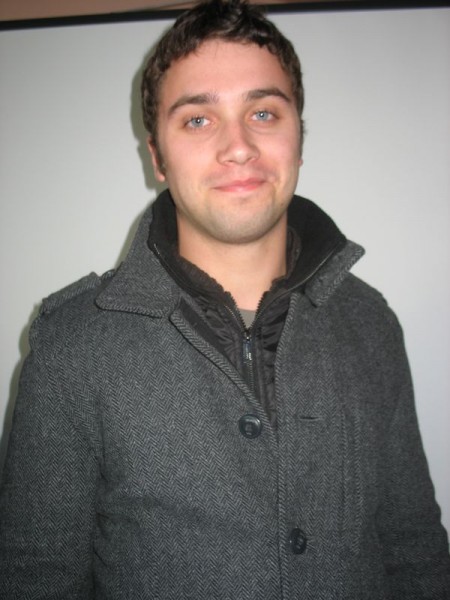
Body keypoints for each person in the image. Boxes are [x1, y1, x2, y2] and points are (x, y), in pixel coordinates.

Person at [1, 0, 449, 597]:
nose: (238, 146)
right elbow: (35, 578)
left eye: (263, 113)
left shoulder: (370, 324)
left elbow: (415, 549)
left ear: (299, 138)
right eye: (197, 119)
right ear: (157, 157)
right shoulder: (72, 348)